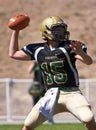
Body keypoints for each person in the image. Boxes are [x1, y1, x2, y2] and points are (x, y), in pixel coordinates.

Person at [9, 16, 96, 130]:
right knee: (28, 124)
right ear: (46, 31)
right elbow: (13, 53)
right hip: (51, 95)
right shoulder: (38, 49)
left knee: (88, 118)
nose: (62, 32)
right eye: (57, 29)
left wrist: (80, 52)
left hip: (72, 93)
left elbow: (88, 61)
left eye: (62, 29)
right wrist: (16, 31)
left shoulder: (70, 46)